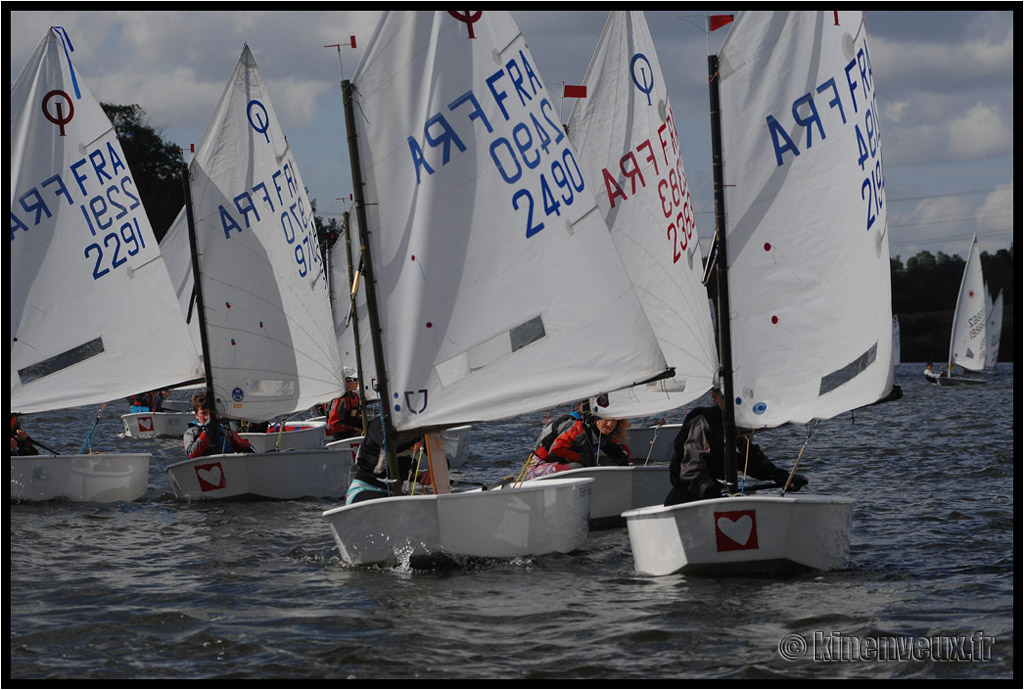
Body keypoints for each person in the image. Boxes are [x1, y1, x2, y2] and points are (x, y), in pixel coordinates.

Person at [665, 386, 807, 506]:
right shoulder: (703, 422)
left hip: (714, 501)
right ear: (716, 397)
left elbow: (750, 460)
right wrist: (710, 491)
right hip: (686, 502)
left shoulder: (737, 425)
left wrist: (779, 475)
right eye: (733, 400)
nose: (738, 406)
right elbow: (691, 469)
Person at [525, 406, 631, 479]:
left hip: (562, 463)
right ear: (596, 419)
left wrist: (623, 456)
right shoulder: (578, 428)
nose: (610, 424)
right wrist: (580, 458)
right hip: (538, 467)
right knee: (577, 467)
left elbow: (621, 449)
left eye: (614, 420)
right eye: (606, 419)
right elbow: (555, 450)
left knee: (609, 463)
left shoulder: (602, 434)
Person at [345, 418, 424, 504]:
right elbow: (391, 445)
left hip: (392, 495)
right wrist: (415, 438)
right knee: (393, 503)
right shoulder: (378, 424)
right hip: (363, 490)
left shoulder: (420, 432)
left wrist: (429, 473)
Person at [183, 390, 255, 459]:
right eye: (203, 413)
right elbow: (191, 454)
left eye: (211, 413)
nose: (208, 416)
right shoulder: (191, 433)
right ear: (196, 415)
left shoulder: (225, 431)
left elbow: (245, 446)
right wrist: (207, 432)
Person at [327, 367, 362, 441]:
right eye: (355, 380)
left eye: (357, 380)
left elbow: (356, 417)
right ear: (345, 381)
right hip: (342, 436)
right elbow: (334, 425)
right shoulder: (339, 399)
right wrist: (355, 429)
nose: (357, 383)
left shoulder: (354, 396)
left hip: (353, 431)